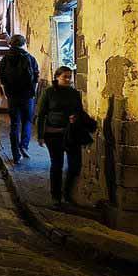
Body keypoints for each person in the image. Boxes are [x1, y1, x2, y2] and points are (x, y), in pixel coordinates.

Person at [37, 66, 86, 206]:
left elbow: (79, 111)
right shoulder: (49, 92)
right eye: (65, 76)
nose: (68, 79)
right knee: (57, 164)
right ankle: (56, 196)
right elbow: (41, 114)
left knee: (75, 166)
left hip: (71, 134)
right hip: (54, 135)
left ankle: (68, 192)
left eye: (69, 77)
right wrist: (40, 135)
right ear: (57, 77)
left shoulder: (74, 93)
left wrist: (75, 118)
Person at [0, 34, 40, 164]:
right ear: (23, 44)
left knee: (15, 124)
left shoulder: (5, 59)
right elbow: (36, 77)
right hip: (27, 95)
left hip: (12, 96)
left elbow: (1, 77)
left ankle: (15, 154)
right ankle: (24, 146)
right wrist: (33, 92)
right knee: (27, 121)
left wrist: (5, 93)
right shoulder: (30, 58)